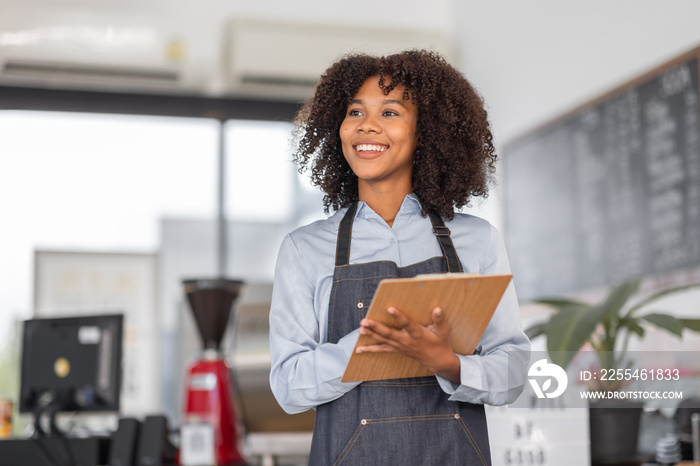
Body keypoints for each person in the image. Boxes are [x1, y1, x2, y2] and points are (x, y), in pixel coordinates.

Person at [269, 49, 530, 465]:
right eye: (355, 111)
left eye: (389, 112)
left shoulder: (477, 240)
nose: (366, 125)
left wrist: (447, 363)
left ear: (425, 132)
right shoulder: (305, 249)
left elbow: (513, 370)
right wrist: (369, 344)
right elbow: (287, 386)